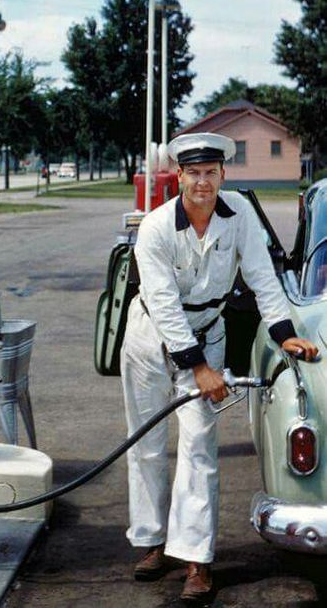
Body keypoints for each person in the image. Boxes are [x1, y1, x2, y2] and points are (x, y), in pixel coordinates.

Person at [120, 132, 318, 601]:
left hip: (207, 332)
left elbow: (262, 277)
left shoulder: (240, 215)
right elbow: (164, 305)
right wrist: (200, 369)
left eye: (211, 173)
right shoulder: (155, 228)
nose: (203, 183)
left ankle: (195, 559)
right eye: (194, 174)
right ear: (180, 177)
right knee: (147, 442)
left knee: (199, 448)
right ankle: (151, 541)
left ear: (223, 175)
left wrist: (282, 331)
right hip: (150, 337)